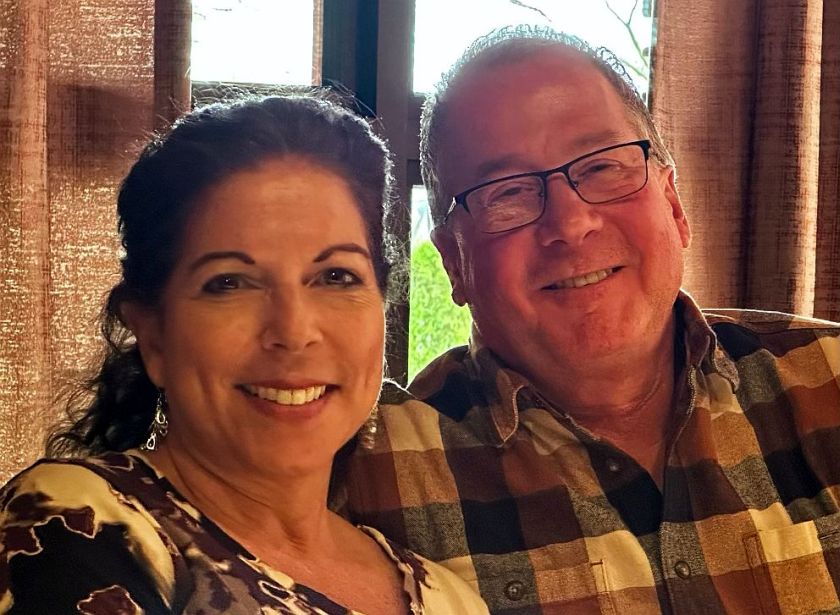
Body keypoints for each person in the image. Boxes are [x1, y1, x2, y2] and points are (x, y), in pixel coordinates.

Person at [341, 26, 840, 614]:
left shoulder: (829, 379)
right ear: (453, 261)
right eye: (507, 193)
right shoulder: (364, 472)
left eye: (603, 167)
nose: (571, 223)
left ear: (674, 205)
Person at [0, 94, 488, 614]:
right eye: (229, 283)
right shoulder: (79, 525)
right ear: (154, 335)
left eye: (335, 276)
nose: (293, 331)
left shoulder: (450, 599)